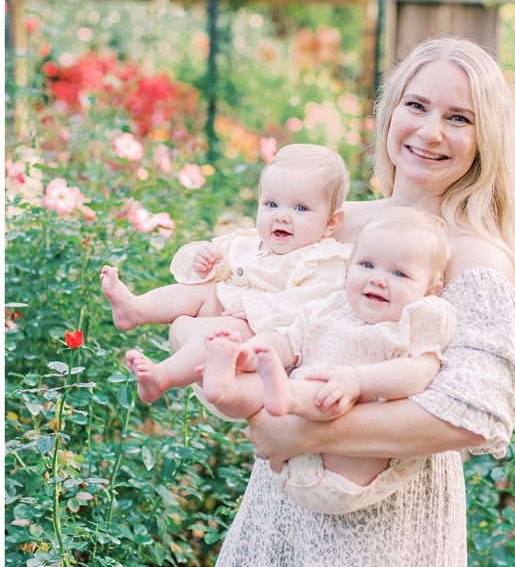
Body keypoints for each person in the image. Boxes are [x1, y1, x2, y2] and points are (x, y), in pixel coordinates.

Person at [179, 37, 515, 567]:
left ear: (486, 138)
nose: (430, 132)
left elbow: (477, 411)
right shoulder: (332, 227)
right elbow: (224, 309)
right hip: (280, 514)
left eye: (460, 118)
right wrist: (208, 357)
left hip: (382, 534)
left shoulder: (471, 255)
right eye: (417, 104)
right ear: (389, 113)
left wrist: (307, 423)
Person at [199, 207, 457, 514]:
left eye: (399, 273)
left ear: (430, 291)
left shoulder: (415, 320)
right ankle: (223, 389)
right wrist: (250, 353)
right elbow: (286, 342)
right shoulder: (329, 308)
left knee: (320, 387)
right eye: (367, 264)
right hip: (291, 456)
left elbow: (418, 374)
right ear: (350, 268)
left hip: (351, 465)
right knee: (252, 387)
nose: (378, 279)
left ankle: (288, 395)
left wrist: (356, 381)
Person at [100, 144, 351, 403]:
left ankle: (163, 376)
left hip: (264, 335)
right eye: (271, 204)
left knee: (227, 331)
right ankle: (135, 309)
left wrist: (259, 311)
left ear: (331, 222)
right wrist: (209, 264)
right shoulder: (250, 242)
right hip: (229, 308)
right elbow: (223, 273)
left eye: (300, 208)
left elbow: (312, 303)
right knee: (201, 290)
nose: (281, 217)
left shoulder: (322, 259)